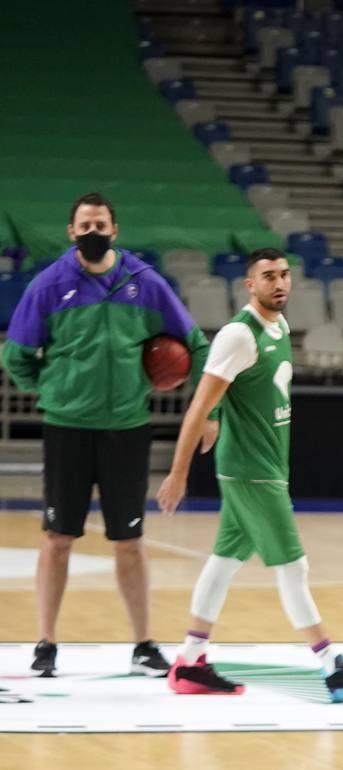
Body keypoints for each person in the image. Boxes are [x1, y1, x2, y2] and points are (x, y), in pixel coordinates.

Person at [155, 248, 343, 701]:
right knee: (293, 567)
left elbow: (234, 393)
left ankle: (189, 662)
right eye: (268, 277)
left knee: (222, 565)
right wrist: (178, 472)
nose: (279, 283)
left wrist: (220, 416)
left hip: (265, 467)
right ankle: (332, 666)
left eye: (284, 275)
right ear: (249, 285)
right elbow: (200, 403)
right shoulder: (238, 335)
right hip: (251, 472)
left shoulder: (279, 327)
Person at [1, 192, 213, 678]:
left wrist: (210, 413)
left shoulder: (145, 283)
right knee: (58, 538)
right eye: (84, 225)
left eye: (100, 224)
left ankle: (143, 644)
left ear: (114, 230)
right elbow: (15, 355)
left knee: (129, 542)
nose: (93, 231)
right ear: (71, 232)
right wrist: (53, 390)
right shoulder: (49, 285)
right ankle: (45, 644)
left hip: (126, 429)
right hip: (67, 429)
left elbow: (197, 347)